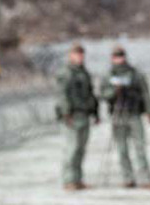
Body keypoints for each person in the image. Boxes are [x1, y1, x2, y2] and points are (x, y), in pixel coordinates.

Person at [100, 46, 150, 190]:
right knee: (122, 149)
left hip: (134, 113)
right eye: (116, 56)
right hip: (118, 114)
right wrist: (115, 90)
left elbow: (145, 93)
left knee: (140, 147)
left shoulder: (135, 74)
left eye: (121, 56)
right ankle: (128, 177)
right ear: (112, 58)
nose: (119, 59)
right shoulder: (108, 75)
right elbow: (103, 95)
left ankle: (145, 177)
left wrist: (149, 111)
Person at [55, 43, 99, 191]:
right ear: (70, 55)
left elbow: (90, 94)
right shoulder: (66, 72)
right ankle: (68, 180)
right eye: (77, 54)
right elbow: (62, 95)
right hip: (72, 116)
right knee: (71, 149)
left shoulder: (83, 72)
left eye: (81, 54)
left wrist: (95, 112)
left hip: (84, 114)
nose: (80, 57)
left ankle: (78, 179)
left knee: (81, 149)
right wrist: (66, 113)